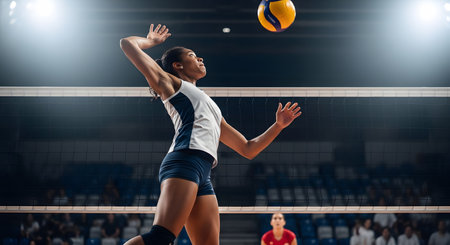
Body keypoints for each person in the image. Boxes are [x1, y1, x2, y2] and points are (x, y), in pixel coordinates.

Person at [120, 24, 302, 245]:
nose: (200, 59)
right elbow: (127, 44)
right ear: (178, 65)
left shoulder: (209, 104)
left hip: (204, 172)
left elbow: (247, 148)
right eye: (192, 56)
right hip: (184, 161)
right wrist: (151, 42)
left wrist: (278, 126)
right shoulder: (171, 84)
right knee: (160, 238)